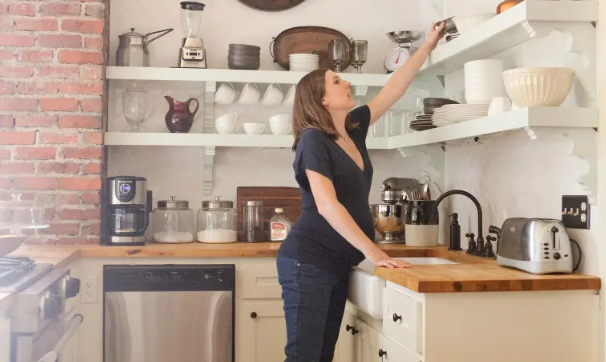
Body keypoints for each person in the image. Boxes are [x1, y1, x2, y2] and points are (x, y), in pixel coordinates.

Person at [276, 23, 446, 362]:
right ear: (322, 99)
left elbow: (393, 89)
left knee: (321, 355)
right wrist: (376, 253)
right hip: (308, 262)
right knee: (305, 356)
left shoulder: (353, 128)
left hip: (337, 263)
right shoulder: (313, 139)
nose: (348, 82)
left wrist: (427, 46)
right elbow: (326, 205)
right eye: (337, 81)